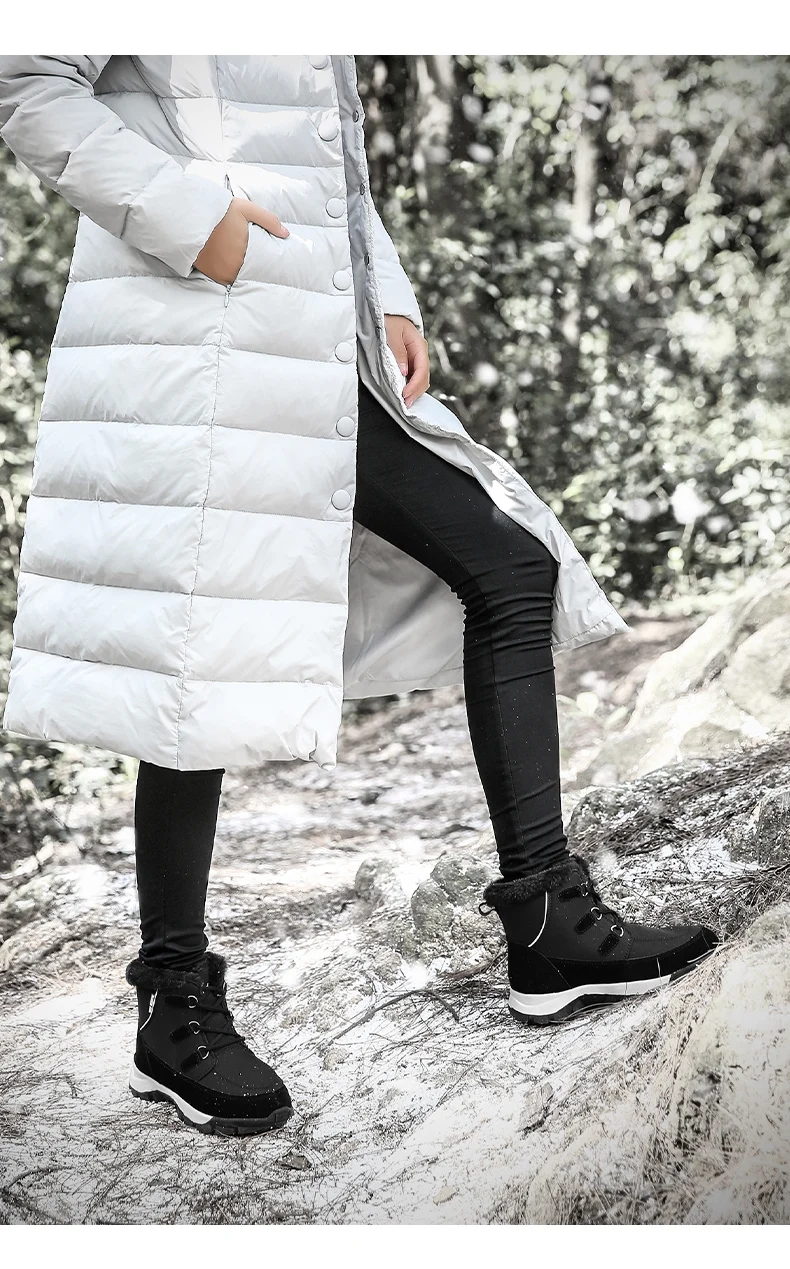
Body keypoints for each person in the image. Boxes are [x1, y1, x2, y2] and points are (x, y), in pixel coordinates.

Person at [0, 55, 718, 1137]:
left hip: (316, 339)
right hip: (196, 334)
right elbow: (27, 84)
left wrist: (384, 295)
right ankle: (173, 1002)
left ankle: (547, 922)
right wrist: (195, 221)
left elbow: (326, 146)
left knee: (510, 564)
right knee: (199, 651)